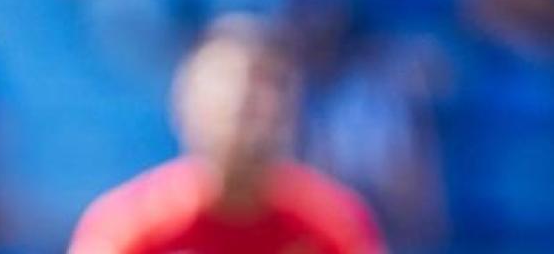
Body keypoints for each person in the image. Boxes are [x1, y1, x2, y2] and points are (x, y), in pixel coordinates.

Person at [68, 17, 384, 254]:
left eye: (268, 86)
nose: (246, 104)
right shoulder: (127, 227)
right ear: (183, 103)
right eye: (227, 86)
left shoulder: (333, 224)